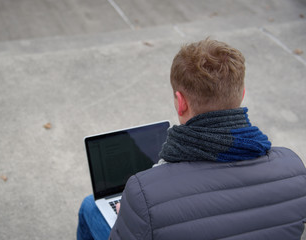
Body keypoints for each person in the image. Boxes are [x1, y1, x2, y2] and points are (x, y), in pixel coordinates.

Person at [77, 38, 306, 240]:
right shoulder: (294, 169)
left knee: (90, 206)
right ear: (242, 93)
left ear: (180, 101)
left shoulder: (142, 193)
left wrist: (129, 216)